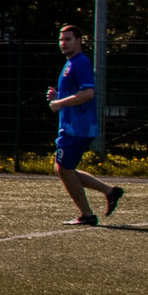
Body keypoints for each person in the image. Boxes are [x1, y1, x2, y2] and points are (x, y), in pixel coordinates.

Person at [48, 23, 124, 225]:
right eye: (61, 39)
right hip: (74, 125)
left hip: (77, 127)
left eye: (68, 39)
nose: (63, 43)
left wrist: (59, 103)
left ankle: (88, 215)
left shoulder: (80, 62)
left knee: (64, 170)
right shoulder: (71, 63)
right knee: (65, 169)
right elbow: (76, 92)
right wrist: (58, 96)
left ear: (79, 41)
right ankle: (110, 191)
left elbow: (88, 93)